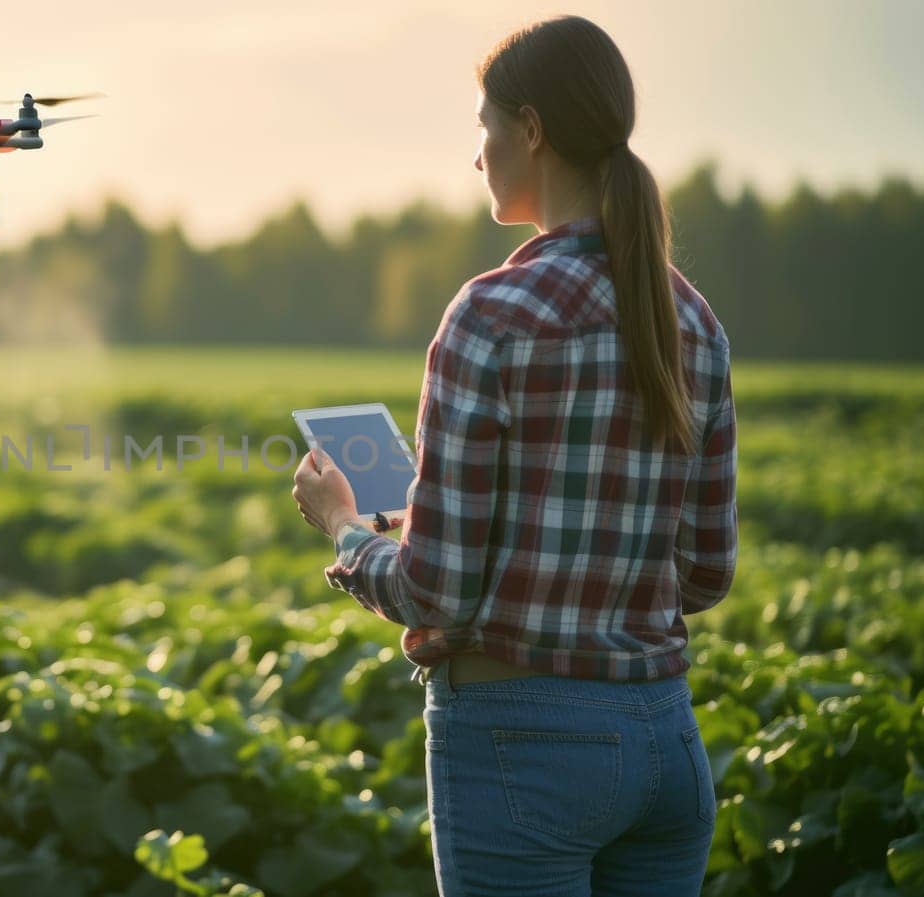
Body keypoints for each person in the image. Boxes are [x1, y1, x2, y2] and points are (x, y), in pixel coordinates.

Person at [290, 13, 738, 897]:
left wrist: (346, 526)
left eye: (485, 127)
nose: (478, 152)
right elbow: (706, 572)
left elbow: (436, 591)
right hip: (665, 743)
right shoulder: (696, 322)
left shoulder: (491, 313)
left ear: (530, 130)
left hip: (522, 748)